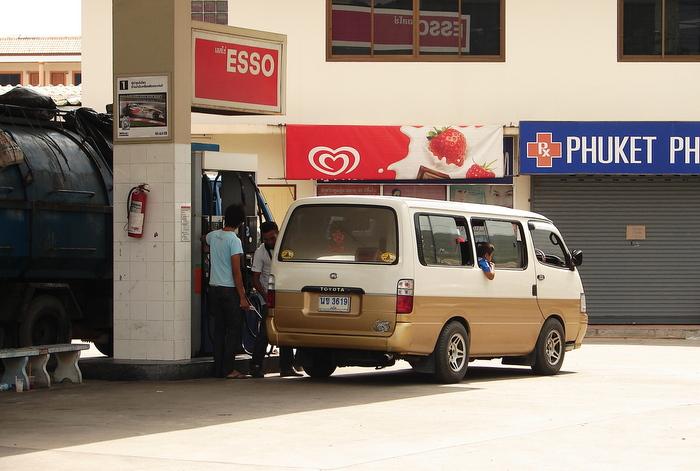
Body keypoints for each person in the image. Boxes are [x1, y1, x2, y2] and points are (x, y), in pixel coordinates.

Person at [250, 221, 302, 378]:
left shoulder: (288, 247)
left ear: (278, 233)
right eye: (266, 240)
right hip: (270, 298)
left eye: (272, 238)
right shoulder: (261, 253)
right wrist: (266, 296)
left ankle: (286, 367)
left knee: (285, 330)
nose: (269, 242)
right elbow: (255, 279)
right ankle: (256, 366)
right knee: (265, 332)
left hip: (286, 296)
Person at [205, 204, 250, 379]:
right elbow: (236, 271)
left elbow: (203, 239)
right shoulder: (235, 240)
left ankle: (217, 369)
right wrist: (243, 297)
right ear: (240, 222)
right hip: (229, 290)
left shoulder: (213, 236)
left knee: (218, 330)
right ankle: (229, 369)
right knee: (233, 330)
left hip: (214, 289)